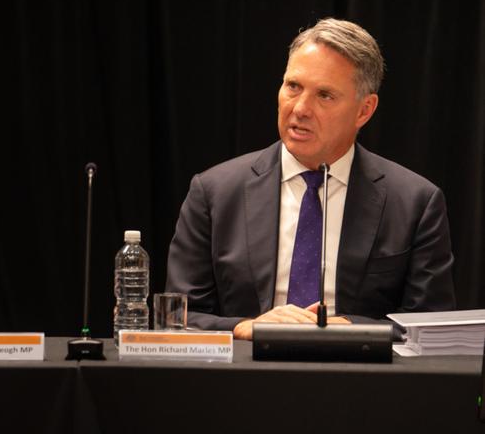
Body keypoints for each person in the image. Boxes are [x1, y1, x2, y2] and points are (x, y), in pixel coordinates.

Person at [165, 18, 455, 340]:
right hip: (246, 381)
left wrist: (351, 328)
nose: (300, 108)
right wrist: (245, 327)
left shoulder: (415, 203)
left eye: (325, 95)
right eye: (293, 87)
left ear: (365, 110)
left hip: (361, 384)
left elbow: (431, 326)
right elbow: (177, 318)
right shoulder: (214, 193)